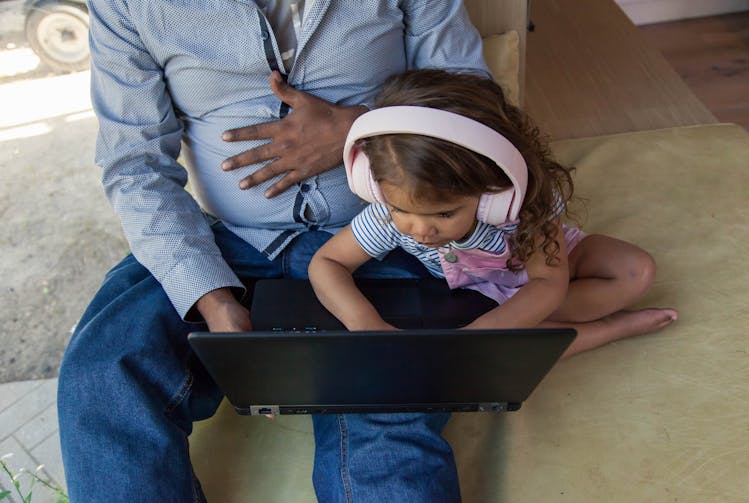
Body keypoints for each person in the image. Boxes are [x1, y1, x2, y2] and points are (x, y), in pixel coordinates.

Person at [58, 2, 490, 502]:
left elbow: (475, 105)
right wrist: (211, 296)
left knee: (388, 399)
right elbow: (135, 165)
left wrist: (363, 129)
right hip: (220, 239)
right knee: (103, 371)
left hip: (382, 233)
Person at [309, 69, 678, 358]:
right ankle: (610, 329)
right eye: (401, 209)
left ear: (492, 195)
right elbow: (326, 263)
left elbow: (547, 283)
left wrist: (489, 330)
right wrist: (364, 322)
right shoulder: (389, 217)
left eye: (444, 213)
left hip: (547, 274)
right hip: (476, 295)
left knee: (636, 270)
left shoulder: (524, 208)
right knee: (510, 350)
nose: (420, 229)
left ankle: (536, 327)